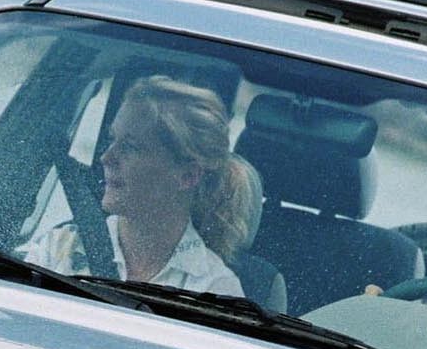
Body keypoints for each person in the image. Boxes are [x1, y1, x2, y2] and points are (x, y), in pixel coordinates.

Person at [24, 76, 259, 297]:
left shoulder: (214, 289)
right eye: (112, 139)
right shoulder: (57, 249)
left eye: (130, 147)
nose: (107, 157)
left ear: (187, 176)